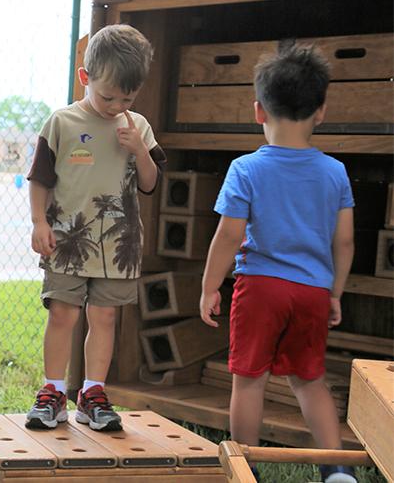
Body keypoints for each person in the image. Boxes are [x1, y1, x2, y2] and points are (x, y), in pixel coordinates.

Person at [199, 44, 355, 483]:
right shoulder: (335, 172)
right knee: (309, 380)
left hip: (261, 287)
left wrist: (211, 285)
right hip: (313, 291)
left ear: (258, 110)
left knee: (249, 379)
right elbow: (344, 241)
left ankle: (244, 467)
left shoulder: (246, 169)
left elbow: (229, 234)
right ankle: (337, 470)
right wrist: (335, 291)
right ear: (320, 111)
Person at [25, 24, 166, 431]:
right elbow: (40, 179)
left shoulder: (137, 126)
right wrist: (38, 223)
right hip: (67, 240)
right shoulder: (62, 122)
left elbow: (150, 183)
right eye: (107, 95)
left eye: (127, 97)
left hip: (119, 244)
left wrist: (139, 149)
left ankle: (92, 393)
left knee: (104, 318)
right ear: (85, 78)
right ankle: (52, 391)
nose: (116, 104)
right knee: (63, 315)